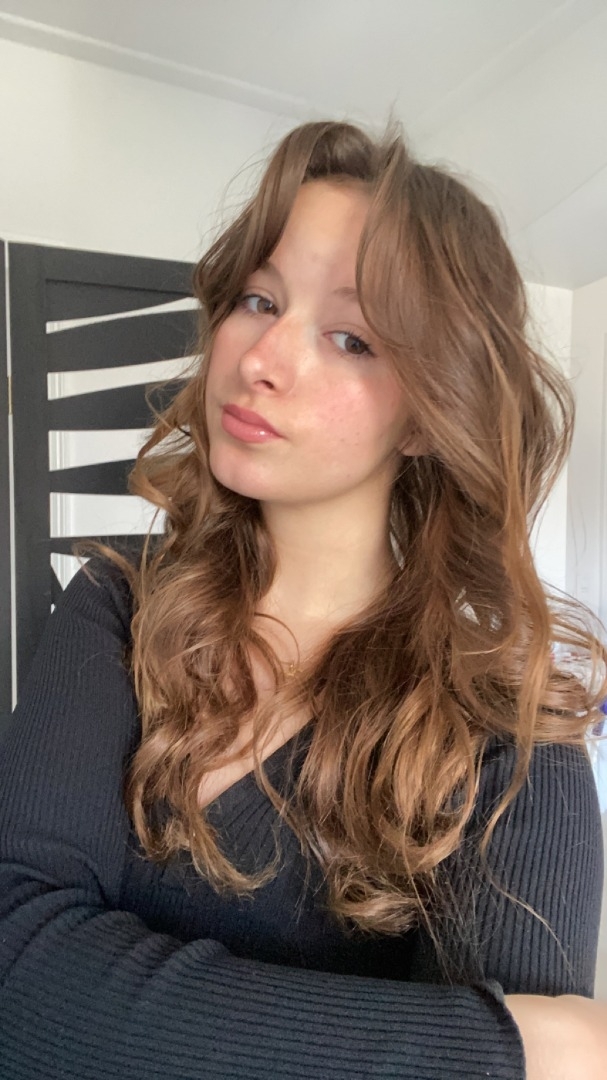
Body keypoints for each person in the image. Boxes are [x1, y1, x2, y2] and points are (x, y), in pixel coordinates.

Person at [0, 120, 605, 1080]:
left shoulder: (512, 736)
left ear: (427, 414)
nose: (261, 357)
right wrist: (487, 1049)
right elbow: (14, 977)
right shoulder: (116, 603)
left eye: (351, 337)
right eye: (259, 298)